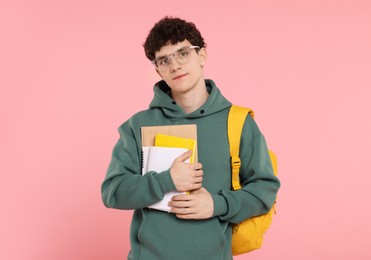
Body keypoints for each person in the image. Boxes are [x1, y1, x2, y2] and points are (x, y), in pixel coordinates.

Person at [101, 16, 280, 260]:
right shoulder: (138, 125)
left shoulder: (238, 122)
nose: (174, 65)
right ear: (158, 70)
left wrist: (217, 205)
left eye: (182, 53)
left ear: (202, 56)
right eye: (164, 60)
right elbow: (113, 192)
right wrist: (166, 181)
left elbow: (265, 191)